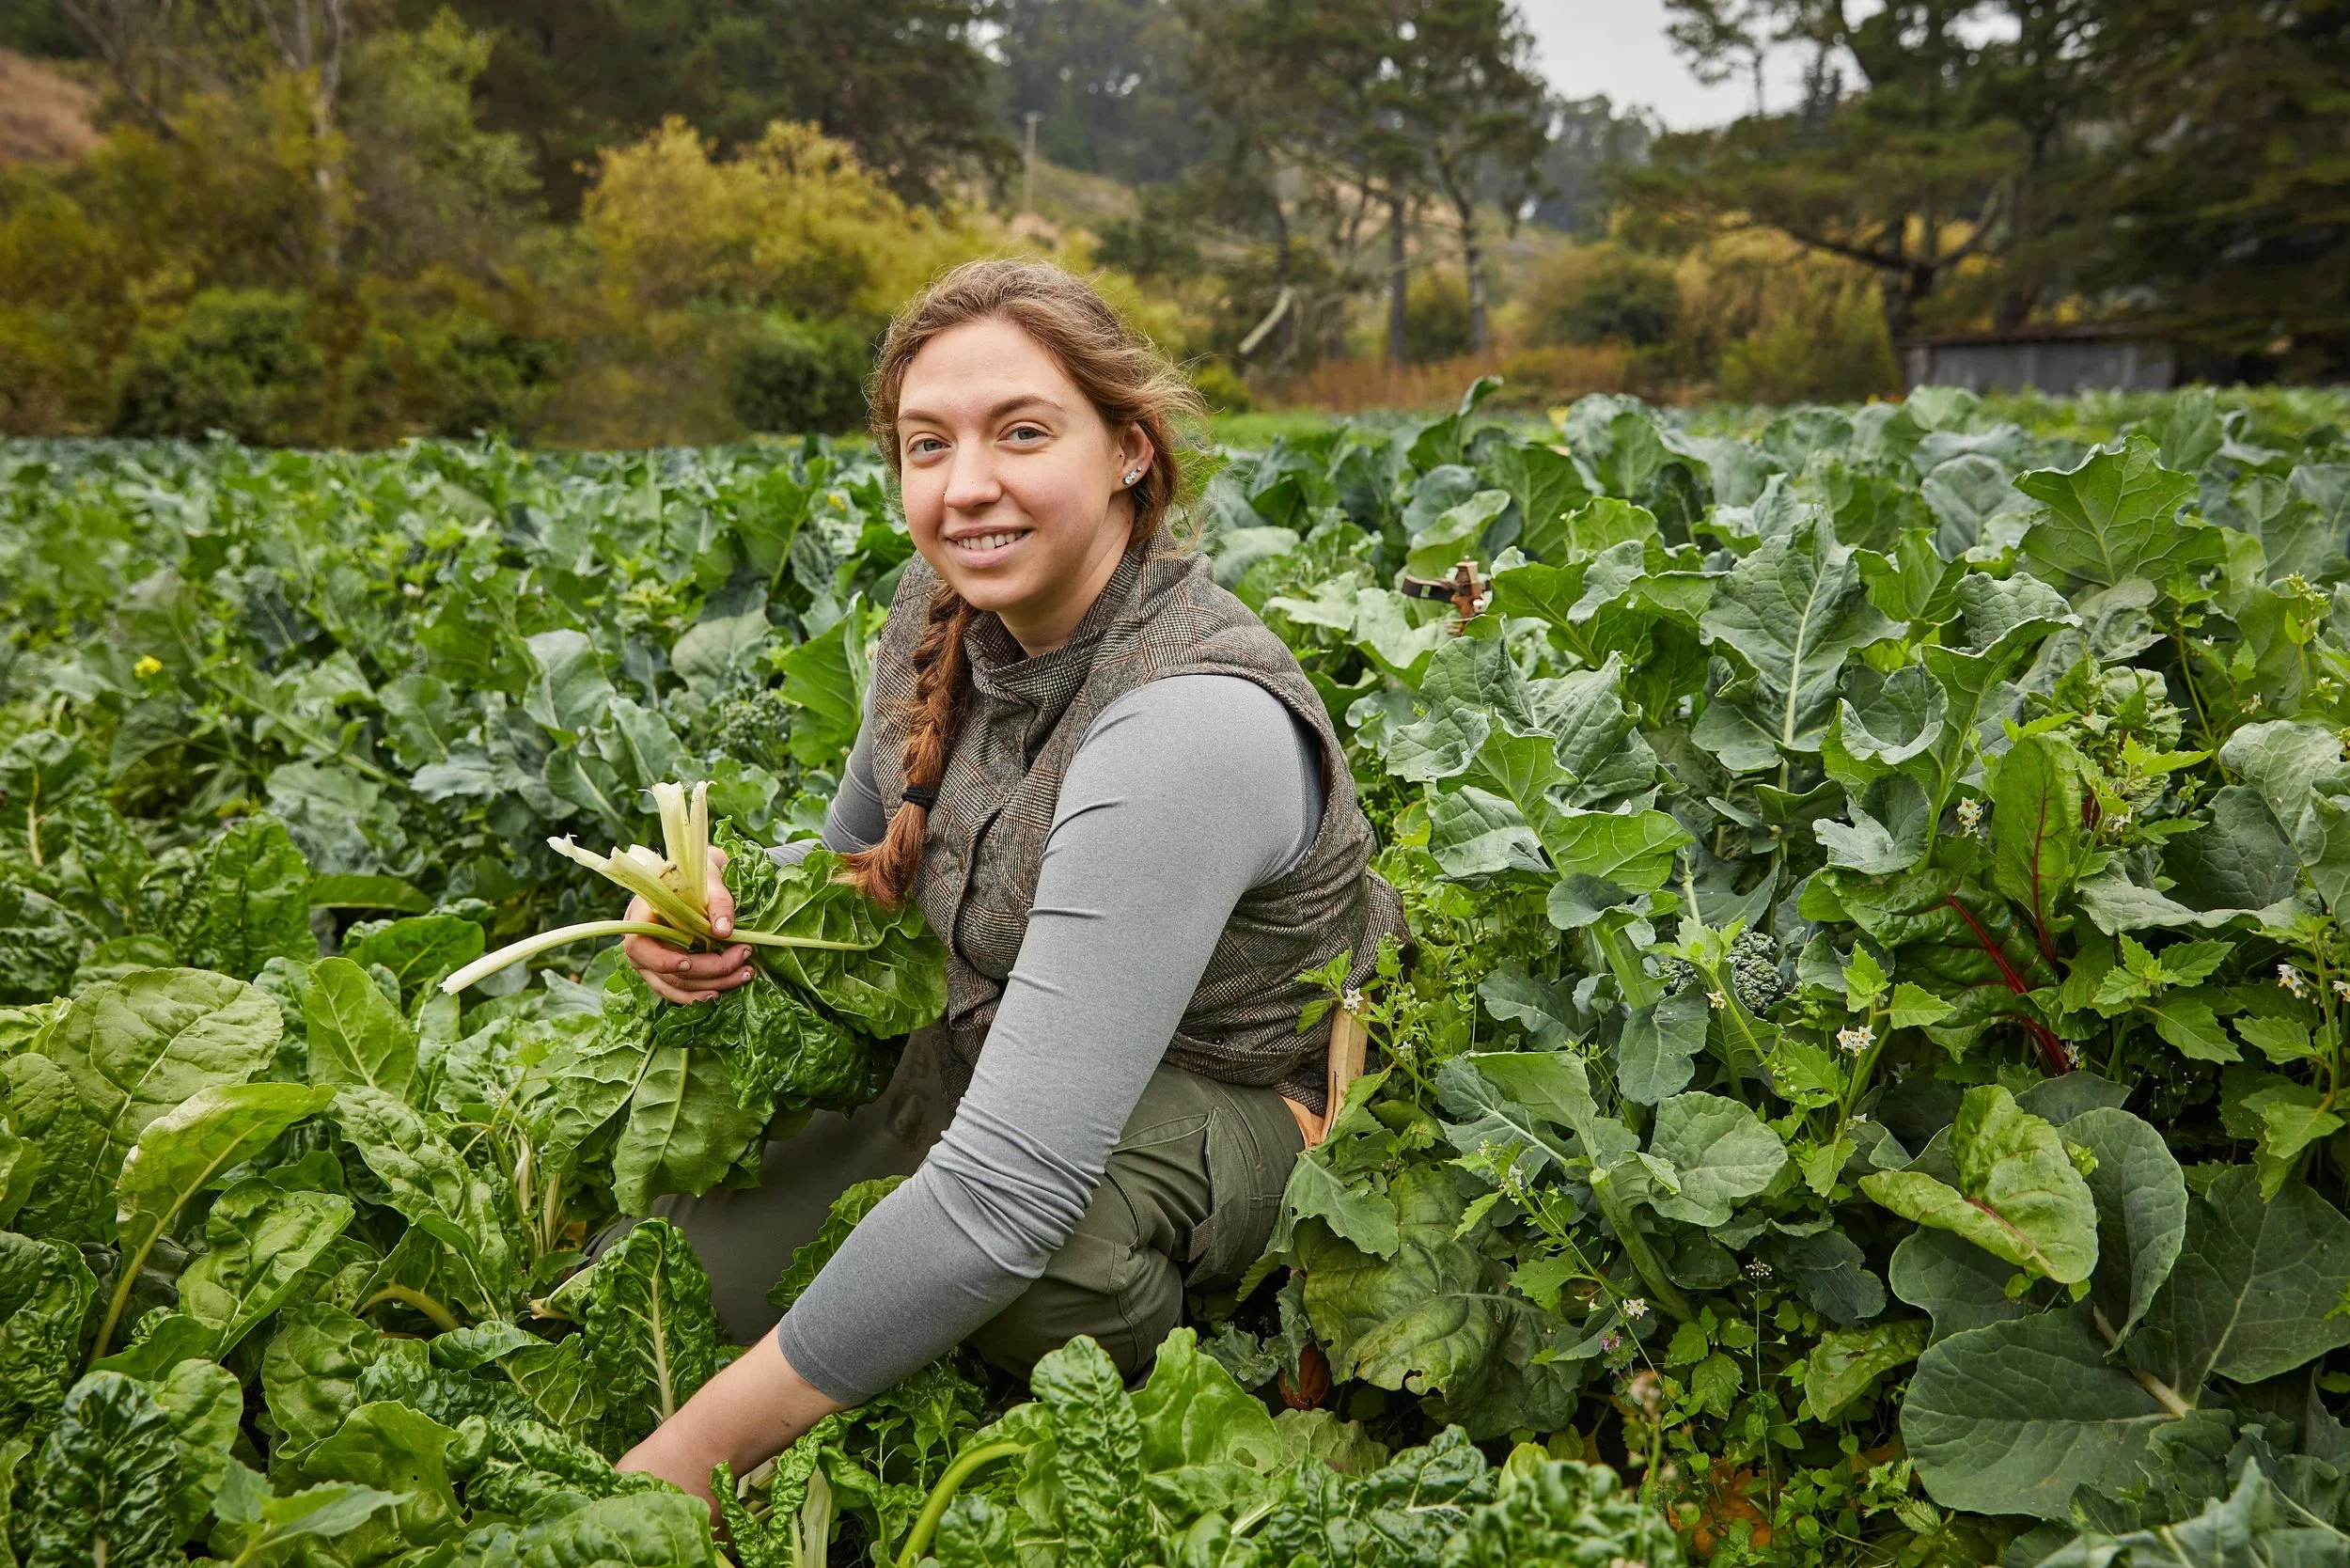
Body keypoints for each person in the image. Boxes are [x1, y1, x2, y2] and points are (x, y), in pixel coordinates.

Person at [612, 258, 1403, 1505]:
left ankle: (1220, 1355)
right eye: (928, 446)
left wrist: (678, 1471)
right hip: (993, 1052)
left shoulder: (1183, 730)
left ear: (1129, 452)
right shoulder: (931, 609)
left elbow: (1008, 1197)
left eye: (1021, 432)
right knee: (675, 1265)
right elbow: (857, 876)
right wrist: (713, 912)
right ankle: (899, 1290)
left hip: (1230, 1100)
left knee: (1032, 1265)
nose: (967, 485)